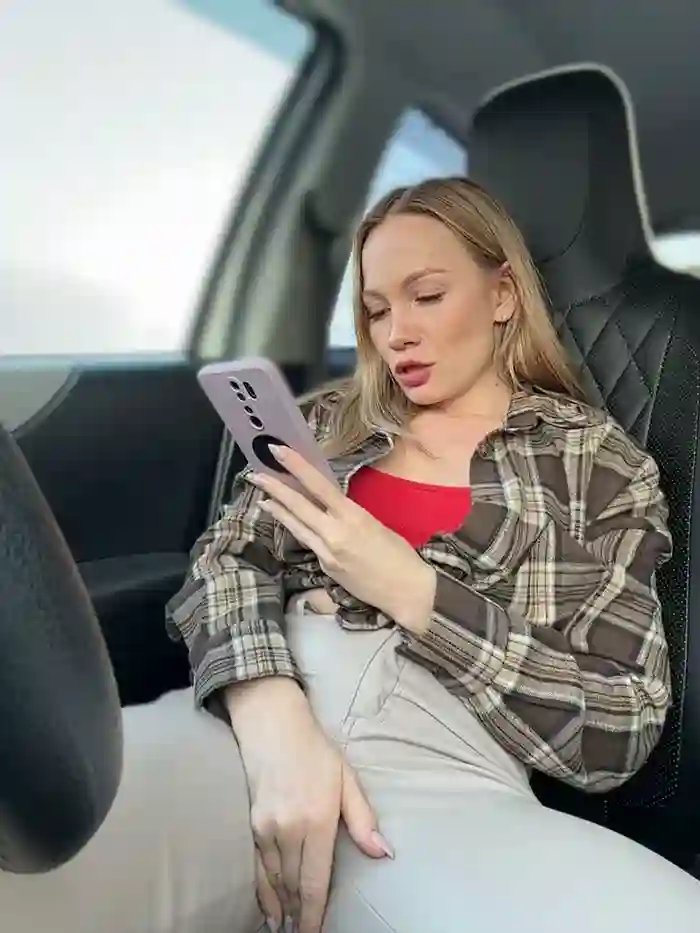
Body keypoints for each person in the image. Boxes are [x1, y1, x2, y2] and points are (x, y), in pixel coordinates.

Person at [4, 176, 700, 933]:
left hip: (443, 776)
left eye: (426, 296)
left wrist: (414, 590)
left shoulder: (595, 460)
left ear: (502, 295)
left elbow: (619, 724)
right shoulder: (327, 423)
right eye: (376, 309)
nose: (396, 332)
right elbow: (225, 562)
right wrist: (271, 715)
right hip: (242, 733)